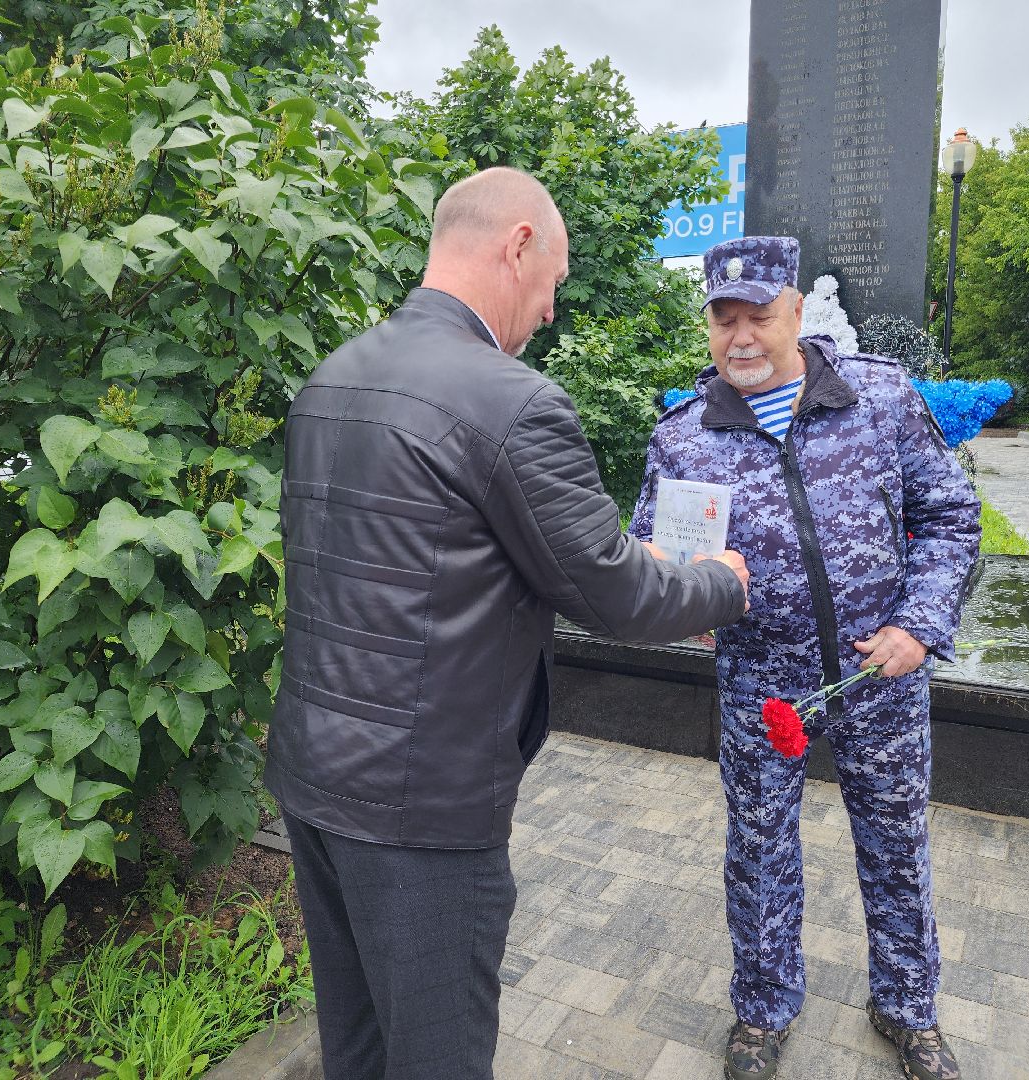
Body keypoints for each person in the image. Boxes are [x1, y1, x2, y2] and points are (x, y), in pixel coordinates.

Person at [265, 167, 751, 1080]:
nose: (551, 311)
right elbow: (615, 595)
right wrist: (720, 584)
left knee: (357, 1048)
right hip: (422, 810)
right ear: (517, 245)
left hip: (311, 779)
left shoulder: (331, 377)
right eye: (554, 282)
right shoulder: (511, 401)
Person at [630, 236, 981, 1080]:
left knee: (896, 848)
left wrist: (919, 625)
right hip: (761, 683)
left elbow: (950, 516)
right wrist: (675, 588)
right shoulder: (685, 436)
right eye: (724, 319)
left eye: (758, 315)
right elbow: (646, 550)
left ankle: (907, 1008)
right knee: (758, 854)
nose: (741, 337)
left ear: (795, 310)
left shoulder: (878, 397)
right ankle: (762, 1010)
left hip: (879, 675)